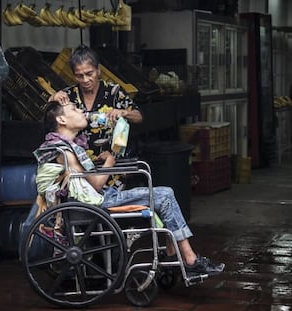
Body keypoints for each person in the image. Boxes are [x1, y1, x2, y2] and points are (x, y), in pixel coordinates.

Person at [33, 101, 225, 276]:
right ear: (62, 119)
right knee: (165, 195)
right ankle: (189, 260)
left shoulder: (63, 146)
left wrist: (103, 162)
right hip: (98, 204)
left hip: (94, 201)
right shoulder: (66, 151)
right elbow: (97, 183)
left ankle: (173, 256)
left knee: (163, 197)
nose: (81, 111)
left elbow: (85, 180)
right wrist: (110, 159)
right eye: (74, 109)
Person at [49, 44, 142, 189]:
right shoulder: (68, 95)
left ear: (98, 70)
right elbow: (51, 114)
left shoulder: (113, 92)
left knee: (111, 205)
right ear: (74, 75)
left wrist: (124, 112)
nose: (85, 80)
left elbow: (138, 117)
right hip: (79, 169)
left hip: (110, 166)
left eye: (89, 73)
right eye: (79, 76)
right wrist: (53, 97)